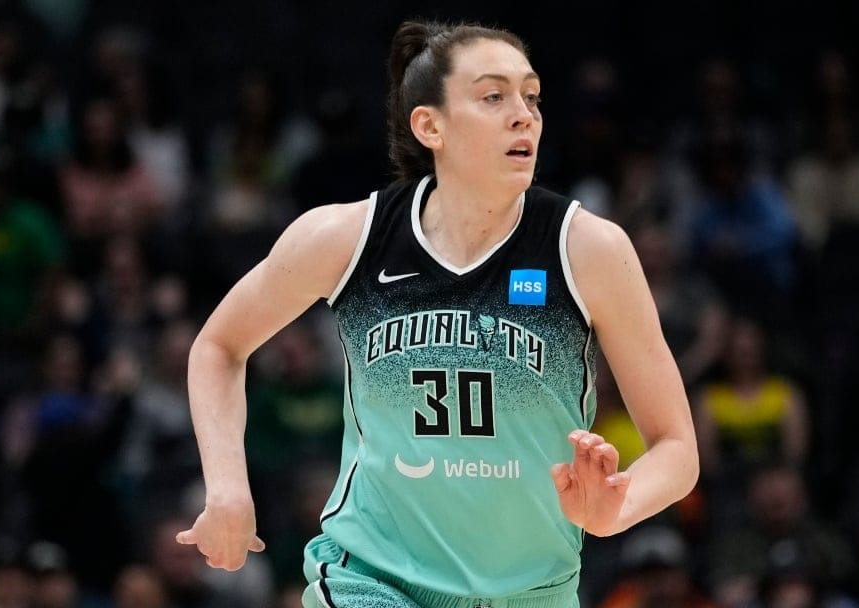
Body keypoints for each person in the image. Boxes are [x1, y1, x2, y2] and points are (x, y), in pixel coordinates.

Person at [177, 20, 699, 608]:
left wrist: (615, 507)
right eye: (494, 96)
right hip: (372, 580)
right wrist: (226, 488)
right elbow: (219, 347)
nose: (524, 114)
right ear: (430, 125)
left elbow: (676, 447)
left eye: (532, 96)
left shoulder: (588, 249)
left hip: (532, 591)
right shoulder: (347, 238)